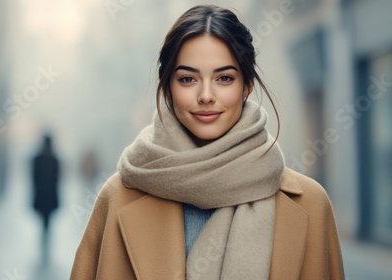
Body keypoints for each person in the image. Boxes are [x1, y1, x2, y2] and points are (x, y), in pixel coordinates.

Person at [71, 5, 344, 280]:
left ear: (246, 84)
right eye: (188, 79)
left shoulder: (310, 204)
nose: (205, 95)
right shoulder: (118, 197)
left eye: (224, 78)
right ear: (168, 87)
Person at [31, 134, 61, 265]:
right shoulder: (55, 159)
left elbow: (33, 178)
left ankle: (44, 237)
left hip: (42, 195)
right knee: (46, 220)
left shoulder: (37, 159)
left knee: (45, 220)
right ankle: (45, 236)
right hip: (49, 195)